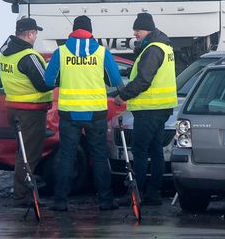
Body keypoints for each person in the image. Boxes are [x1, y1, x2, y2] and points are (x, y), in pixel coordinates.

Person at [44, 15, 124, 212]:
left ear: (73, 30)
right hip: (96, 113)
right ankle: (105, 200)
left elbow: (47, 81)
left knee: (67, 156)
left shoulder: (61, 52)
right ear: (90, 31)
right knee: (99, 156)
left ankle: (60, 201)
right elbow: (115, 80)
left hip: (69, 113)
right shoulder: (101, 52)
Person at [113, 14, 177, 206]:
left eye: (138, 30)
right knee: (155, 150)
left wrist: (122, 95)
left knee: (140, 151)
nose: (135, 34)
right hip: (161, 108)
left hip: (149, 109)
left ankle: (136, 193)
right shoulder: (164, 47)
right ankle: (153, 194)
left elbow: (143, 80)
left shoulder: (152, 49)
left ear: (147, 29)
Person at [0, 17, 54, 208]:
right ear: (30, 34)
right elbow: (43, 83)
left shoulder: (6, 54)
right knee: (29, 154)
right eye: (35, 33)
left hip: (13, 107)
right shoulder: (29, 56)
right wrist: (58, 77)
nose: (36, 36)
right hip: (30, 111)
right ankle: (23, 197)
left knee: (23, 153)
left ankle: (25, 193)